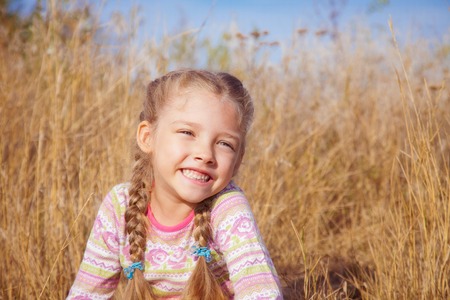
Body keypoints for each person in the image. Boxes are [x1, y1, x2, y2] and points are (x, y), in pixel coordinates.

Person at [67, 69, 282, 299]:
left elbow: (263, 293)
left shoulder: (227, 207)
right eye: (187, 132)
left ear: (238, 159)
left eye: (224, 144)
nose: (205, 154)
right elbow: (86, 294)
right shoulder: (121, 205)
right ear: (148, 137)